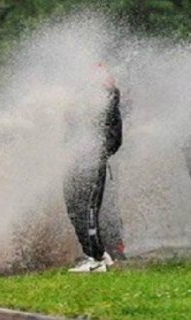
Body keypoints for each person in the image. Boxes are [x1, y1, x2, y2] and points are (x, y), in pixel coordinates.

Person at [65, 68, 123, 273]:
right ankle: (99, 254)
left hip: (92, 161)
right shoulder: (85, 101)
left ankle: (96, 259)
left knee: (88, 209)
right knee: (74, 207)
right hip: (78, 161)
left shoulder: (107, 98)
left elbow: (113, 139)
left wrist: (98, 154)